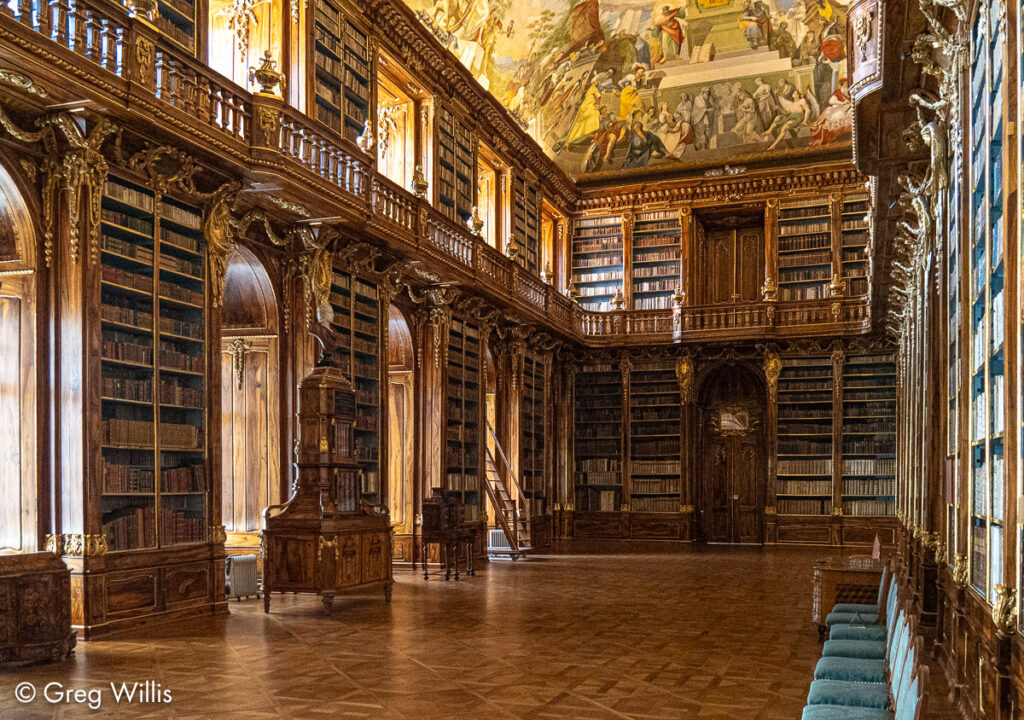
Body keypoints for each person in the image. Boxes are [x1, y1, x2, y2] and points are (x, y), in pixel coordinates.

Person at [809, 77, 852, 145]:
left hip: (848, 107)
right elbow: (831, 101)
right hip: (838, 107)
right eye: (845, 83)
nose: (846, 84)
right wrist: (842, 103)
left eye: (847, 83)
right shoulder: (838, 91)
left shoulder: (850, 91)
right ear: (842, 84)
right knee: (838, 115)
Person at [691, 86, 717, 150]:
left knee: (707, 132)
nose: (707, 94)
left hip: (706, 118)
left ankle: (706, 145)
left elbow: (713, 106)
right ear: (702, 93)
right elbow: (701, 107)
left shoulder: (708, 99)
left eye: (708, 93)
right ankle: (701, 147)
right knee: (700, 133)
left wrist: (711, 107)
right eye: (706, 93)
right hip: (698, 119)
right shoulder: (698, 99)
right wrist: (708, 109)